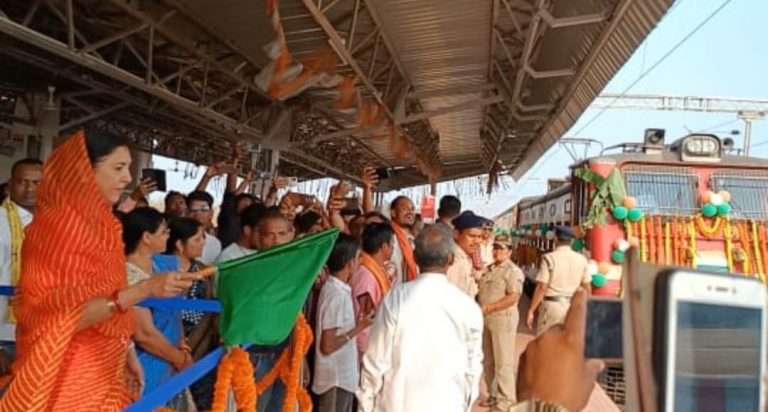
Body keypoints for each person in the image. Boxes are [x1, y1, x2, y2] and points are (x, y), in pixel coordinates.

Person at [0, 128, 197, 411]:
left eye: (128, 167)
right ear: (84, 172)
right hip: (68, 373)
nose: (128, 178)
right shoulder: (56, 231)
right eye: (118, 168)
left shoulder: (105, 226)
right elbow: (62, 317)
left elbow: (108, 294)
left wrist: (126, 353)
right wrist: (146, 288)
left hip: (104, 366)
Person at [357, 224, 483, 412]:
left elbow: (375, 359)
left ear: (414, 258)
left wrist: (366, 404)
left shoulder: (395, 299)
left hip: (397, 404)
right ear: (451, 259)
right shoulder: (469, 308)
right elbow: (473, 367)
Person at [122, 208, 192, 409]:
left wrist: (181, 345)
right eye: (164, 232)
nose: (169, 236)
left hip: (172, 360)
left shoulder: (161, 266)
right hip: (147, 365)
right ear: (146, 237)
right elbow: (144, 334)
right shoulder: (128, 275)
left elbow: (174, 311)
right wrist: (179, 359)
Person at [511, 287, 604, 412]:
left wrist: (534, 402)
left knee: (546, 352)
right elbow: (587, 289)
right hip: (570, 312)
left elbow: (541, 286)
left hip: (552, 307)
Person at [313, 234, 374, 412]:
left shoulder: (339, 289)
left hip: (342, 377)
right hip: (335, 379)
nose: (360, 262)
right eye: (358, 258)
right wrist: (359, 328)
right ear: (349, 263)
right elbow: (327, 345)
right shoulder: (335, 294)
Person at [0, 158, 43, 376]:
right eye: (22, 182)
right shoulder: (1, 222)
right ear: (10, 184)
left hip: (41, 332)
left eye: (37, 183)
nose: (29, 189)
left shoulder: (51, 222)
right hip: (5, 335)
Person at [476, 234, 525, 410]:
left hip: (502, 319)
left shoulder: (512, 271)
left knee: (503, 362)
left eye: (502, 248)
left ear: (510, 251)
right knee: (488, 360)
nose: (498, 251)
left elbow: (513, 297)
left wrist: (490, 307)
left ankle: (506, 402)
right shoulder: (489, 269)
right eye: (495, 247)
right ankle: (493, 395)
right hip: (486, 319)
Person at [526, 226, 591, 335]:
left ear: (556, 239)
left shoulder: (549, 258)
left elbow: (542, 287)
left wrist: (531, 310)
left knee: (547, 343)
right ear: (571, 241)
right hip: (573, 307)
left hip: (552, 307)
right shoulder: (582, 259)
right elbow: (587, 286)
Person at [350, 223, 395, 357]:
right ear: (384, 246)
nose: (393, 248)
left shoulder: (375, 270)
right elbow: (365, 317)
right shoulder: (366, 275)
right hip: (366, 346)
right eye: (392, 243)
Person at [446, 211, 490, 298]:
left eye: (479, 237)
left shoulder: (466, 257)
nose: (477, 241)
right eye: (472, 236)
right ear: (456, 234)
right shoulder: (454, 260)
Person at [187, 190, 222, 265]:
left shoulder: (215, 243)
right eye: (194, 209)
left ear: (211, 213)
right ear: (187, 212)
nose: (198, 213)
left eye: (204, 209)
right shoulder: (177, 241)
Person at [388, 196, 418, 284]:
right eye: (405, 208)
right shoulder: (388, 237)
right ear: (393, 213)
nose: (410, 212)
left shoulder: (413, 241)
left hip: (410, 292)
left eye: (412, 209)